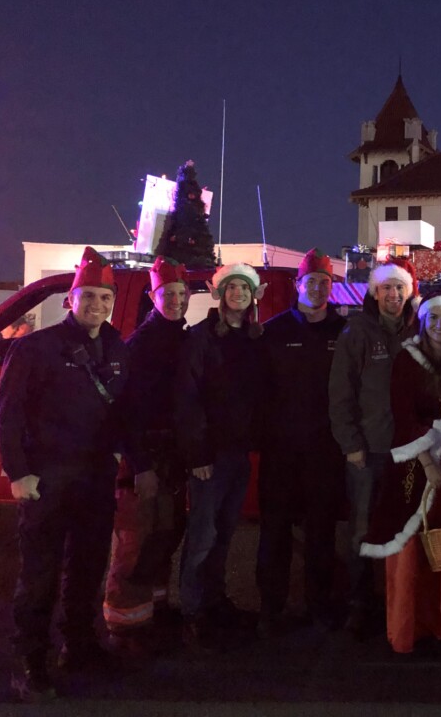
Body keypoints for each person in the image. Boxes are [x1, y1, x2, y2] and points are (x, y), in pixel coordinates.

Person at [0, 247, 130, 702]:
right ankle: (30, 660)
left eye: (105, 298)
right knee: (40, 575)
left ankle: (80, 645)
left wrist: (115, 453)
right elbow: (8, 415)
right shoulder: (35, 347)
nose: (97, 305)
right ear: (71, 299)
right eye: (88, 296)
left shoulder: (116, 347)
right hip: (47, 478)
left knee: (88, 567)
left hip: (93, 479)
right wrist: (19, 472)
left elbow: (121, 409)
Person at [359, 292, 441, 654]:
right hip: (417, 463)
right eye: (433, 318)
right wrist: (427, 463)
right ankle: (407, 631)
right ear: (423, 321)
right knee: (410, 548)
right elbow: (404, 414)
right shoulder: (407, 361)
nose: (439, 325)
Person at [175, 262, 267, 650]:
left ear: (252, 296)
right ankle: (192, 611)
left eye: (244, 290)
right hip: (208, 457)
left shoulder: (253, 338)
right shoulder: (200, 339)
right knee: (202, 536)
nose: (238, 295)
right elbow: (187, 399)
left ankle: (216, 601)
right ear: (221, 293)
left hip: (237, 454)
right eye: (232, 288)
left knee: (225, 533)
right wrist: (197, 453)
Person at [102, 256, 189, 657]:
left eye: (180, 294)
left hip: (174, 459)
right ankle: (124, 629)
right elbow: (125, 413)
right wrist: (141, 466)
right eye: (166, 294)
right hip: (147, 462)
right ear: (152, 297)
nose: (174, 301)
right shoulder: (139, 345)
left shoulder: (182, 339)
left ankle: (154, 609)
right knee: (135, 543)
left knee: (164, 537)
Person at [257, 249, 347, 635]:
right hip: (281, 451)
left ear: (332, 287)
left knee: (321, 532)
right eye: (311, 281)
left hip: (325, 451)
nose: (317, 288)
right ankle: (271, 607)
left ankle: (319, 605)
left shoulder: (343, 332)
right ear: (298, 285)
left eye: (324, 282)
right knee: (274, 530)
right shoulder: (273, 331)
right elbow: (254, 389)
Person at [329, 256, 419, 637]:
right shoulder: (358, 333)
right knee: (362, 531)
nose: (393, 295)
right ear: (374, 292)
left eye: (399, 288)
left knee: (404, 529)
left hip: (410, 452)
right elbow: (340, 393)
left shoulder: (419, 330)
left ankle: (399, 604)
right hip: (368, 451)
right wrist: (351, 443)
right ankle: (359, 605)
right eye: (386, 288)